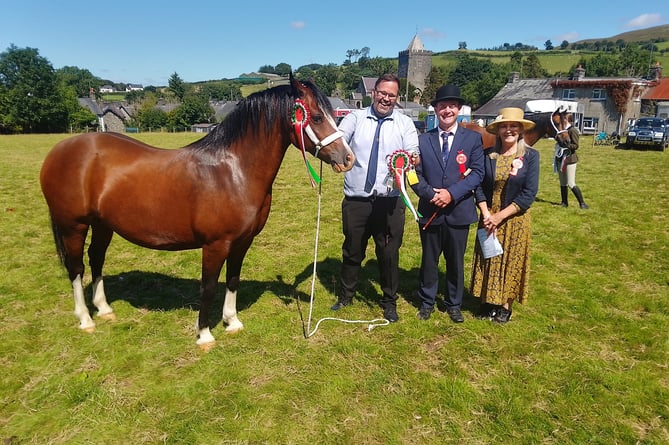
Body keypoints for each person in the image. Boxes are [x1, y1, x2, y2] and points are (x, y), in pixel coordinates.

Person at [332, 74, 419, 322]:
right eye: (382, 93)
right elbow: (337, 143)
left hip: (390, 201)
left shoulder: (405, 123)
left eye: (391, 95)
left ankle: (389, 302)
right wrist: (334, 161)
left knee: (389, 253)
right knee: (352, 250)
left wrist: (412, 160)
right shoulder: (354, 118)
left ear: (397, 98)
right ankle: (346, 296)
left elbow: (414, 153)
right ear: (374, 92)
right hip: (356, 200)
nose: (386, 98)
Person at [410, 85, 484, 323]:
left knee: (455, 261)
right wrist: (430, 193)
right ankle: (427, 301)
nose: (447, 110)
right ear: (435, 109)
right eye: (442, 106)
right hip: (430, 210)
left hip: (458, 211)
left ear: (459, 109)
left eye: (452, 106)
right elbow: (413, 174)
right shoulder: (422, 140)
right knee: (429, 260)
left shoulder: (472, 139)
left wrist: (451, 194)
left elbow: (477, 174)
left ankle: (454, 303)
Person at [470, 107, 540, 324]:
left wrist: (500, 217)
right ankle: (487, 300)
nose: (508, 130)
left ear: (520, 130)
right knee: (490, 257)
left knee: (511, 260)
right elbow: (478, 186)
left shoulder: (531, 156)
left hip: (514, 218)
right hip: (488, 215)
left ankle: (505, 305)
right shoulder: (487, 155)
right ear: (498, 130)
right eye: (504, 126)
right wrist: (486, 213)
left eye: (513, 126)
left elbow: (529, 193)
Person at [554, 112, 588, 209]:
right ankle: (564, 202)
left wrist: (565, 145)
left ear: (567, 120)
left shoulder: (573, 130)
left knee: (571, 183)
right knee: (562, 182)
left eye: (563, 119)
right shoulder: (562, 131)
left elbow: (576, 146)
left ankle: (582, 203)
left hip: (570, 159)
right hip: (561, 158)